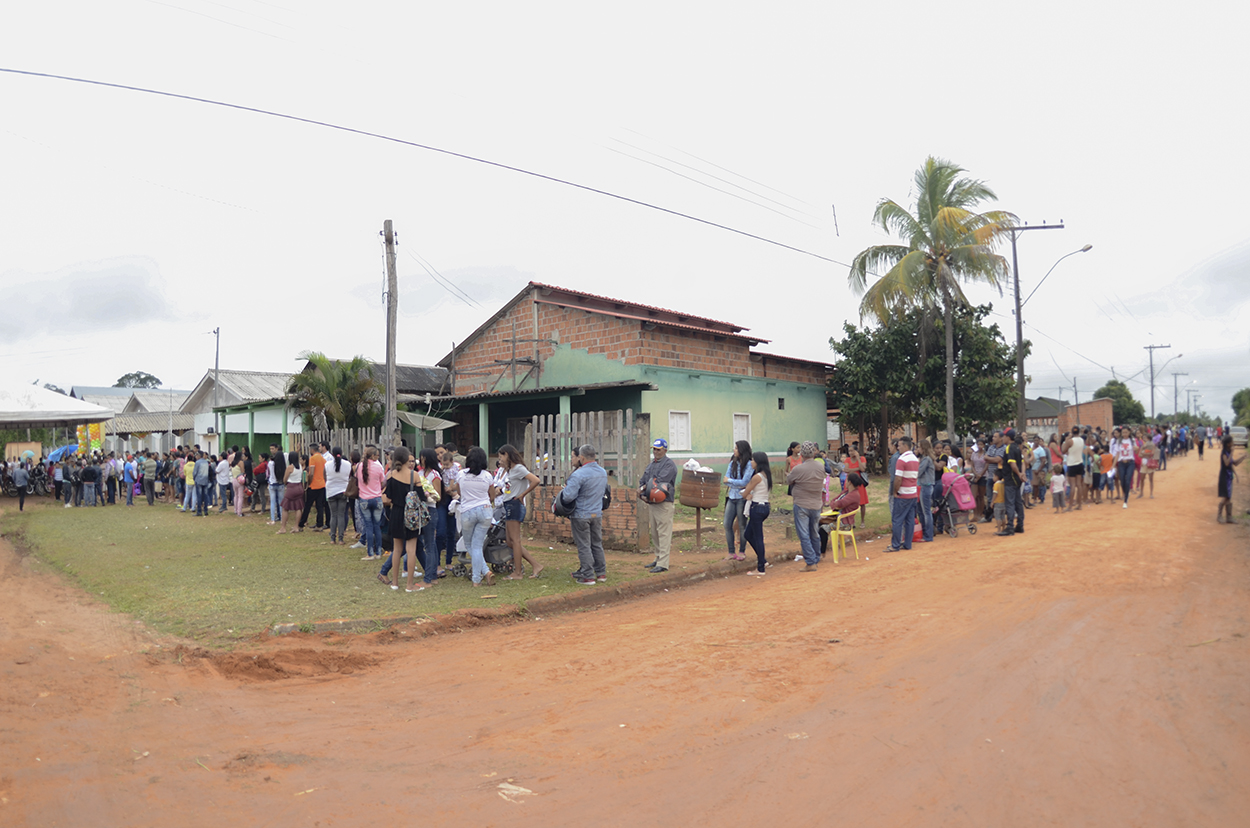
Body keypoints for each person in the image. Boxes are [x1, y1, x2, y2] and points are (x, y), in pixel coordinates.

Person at [380, 447, 430, 592]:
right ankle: (409, 585)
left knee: (396, 549)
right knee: (411, 550)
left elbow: (388, 497)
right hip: (411, 514)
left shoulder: (391, 475)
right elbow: (421, 497)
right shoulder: (414, 475)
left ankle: (395, 583)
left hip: (396, 513)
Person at [562, 444, 609, 585]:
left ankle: (588, 575)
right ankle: (601, 573)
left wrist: (564, 491)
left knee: (584, 545)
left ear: (581, 457)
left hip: (581, 514)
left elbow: (568, 497)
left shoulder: (578, 474)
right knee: (596, 544)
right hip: (597, 513)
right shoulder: (602, 472)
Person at [493, 444, 541, 580]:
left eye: (501, 457)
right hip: (508, 504)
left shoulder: (519, 468)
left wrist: (522, 494)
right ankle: (535, 564)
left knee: (515, 540)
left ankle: (518, 572)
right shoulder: (510, 471)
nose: (500, 460)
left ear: (508, 455)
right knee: (510, 541)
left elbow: (535, 480)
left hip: (514, 505)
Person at [456, 446, 495, 586]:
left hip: (468, 511)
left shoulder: (461, 474)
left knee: (469, 544)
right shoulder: (487, 476)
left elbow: (459, 492)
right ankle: (483, 574)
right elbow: (492, 495)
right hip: (485, 510)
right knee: (477, 545)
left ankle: (479, 577)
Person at [637, 438, 677, 573]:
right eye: (654, 449)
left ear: (665, 450)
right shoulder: (651, 465)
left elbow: (658, 483)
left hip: (664, 503)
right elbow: (643, 479)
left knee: (664, 533)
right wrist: (642, 490)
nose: (655, 452)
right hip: (652, 503)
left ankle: (663, 563)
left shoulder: (669, 465)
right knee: (655, 533)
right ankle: (658, 558)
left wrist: (642, 488)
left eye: (658, 449)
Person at [787, 441, 825, 571]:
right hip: (816, 504)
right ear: (814, 453)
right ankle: (816, 557)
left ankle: (810, 562)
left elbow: (789, 480)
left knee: (804, 535)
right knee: (814, 533)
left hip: (801, 504)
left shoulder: (798, 469)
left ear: (802, 454)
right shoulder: (820, 466)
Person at [741, 451, 772, 576]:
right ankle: (762, 560)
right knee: (748, 534)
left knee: (758, 537)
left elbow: (745, 493)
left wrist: (746, 495)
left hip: (756, 508)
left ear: (758, 462)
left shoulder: (756, 477)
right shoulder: (766, 475)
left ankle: (760, 568)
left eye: (753, 460)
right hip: (765, 507)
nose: (751, 462)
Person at [722, 440, 753, 561]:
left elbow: (744, 482)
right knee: (727, 524)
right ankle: (731, 552)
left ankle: (742, 551)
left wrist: (730, 481)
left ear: (742, 450)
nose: (734, 450)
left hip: (742, 498)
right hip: (731, 497)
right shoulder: (733, 463)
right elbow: (725, 480)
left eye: (736, 448)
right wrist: (735, 483)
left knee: (742, 525)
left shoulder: (749, 464)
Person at [887, 436, 919, 552]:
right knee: (910, 520)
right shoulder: (915, 459)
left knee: (897, 520)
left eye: (899, 445)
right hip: (913, 493)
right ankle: (907, 544)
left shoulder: (902, 459)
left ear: (905, 446)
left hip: (903, 494)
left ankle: (895, 545)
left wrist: (895, 491)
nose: (898, 448)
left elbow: (898, 478)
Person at [355, 446, 386, 560]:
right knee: (377, 526)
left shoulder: (359, 466)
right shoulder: (378, 466)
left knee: (368, 526)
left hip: (364, 499)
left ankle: (370, 553)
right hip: (377, 498)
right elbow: (383, 481)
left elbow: (357, 479)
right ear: (373, 456)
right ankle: (378, 552)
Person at [1000, 430, 1025, 536]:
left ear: (1008, 437)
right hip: (1017, 479)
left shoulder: (1009, 448)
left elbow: (1013, 464)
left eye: (1004, 436)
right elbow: (1023, 462)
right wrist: (1022, 474)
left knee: (1010, 503)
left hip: (1011, 479)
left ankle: (1010, 527)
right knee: (1018, 502)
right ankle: (1020, 525)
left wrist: (1019, 474)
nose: (1002, 438)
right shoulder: (1017, 447)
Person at [325, 446, 352, 544]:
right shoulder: (347, 464)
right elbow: (349, 476)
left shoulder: (327, 464)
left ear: (332, 454)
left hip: (331, 491)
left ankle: (332, 538)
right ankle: (341, 538)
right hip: (343, 490)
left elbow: (325, 477)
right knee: (341, 515)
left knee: (333, 515)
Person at [299, 442, 329, 531]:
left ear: (312, 450)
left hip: (314, 485)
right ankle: (319, 525)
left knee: (308, 505)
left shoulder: (313, 458)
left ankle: (301, 524)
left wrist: (309, 483)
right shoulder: (323, 459)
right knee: (319, 506)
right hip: (322, 484)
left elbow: (311, 473)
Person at [1217, 434, 1243, 524]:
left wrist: (1243, 457)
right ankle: (1219, 515)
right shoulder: (1224, 452)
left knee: (1228, 497)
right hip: (1224, 476)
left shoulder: (1228, 451)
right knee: (1226, 496)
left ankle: (1229, 517)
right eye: (1232, 441)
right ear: (1228, 444)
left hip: (1229, 476)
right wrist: (1232, 452)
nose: (1233, 442)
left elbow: (1234, 463)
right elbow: (1227, 463)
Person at [1061, 426, 1086, 511]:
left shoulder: (1070, 441)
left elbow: (1063, 451)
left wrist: (1066, 440)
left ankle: (1070, 506)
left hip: (1072, 464)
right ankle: (1079, 505)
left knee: (1072, 486)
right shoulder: (1082, 440)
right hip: (1080, 462)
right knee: (1079, 485)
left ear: (1072, 432)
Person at [842, 445, 869, 524]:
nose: (850, 453)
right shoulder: (847, 459)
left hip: (858, 482)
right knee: (848, 502)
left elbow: (863, 469)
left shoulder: (862, 458)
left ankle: (862, 521)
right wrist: (857, 469)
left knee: (862, 502)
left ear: (856, 451)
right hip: (850, 483)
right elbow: (846, 470)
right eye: (849, 451)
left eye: (852, 451)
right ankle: (850, 521)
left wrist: (858, 459)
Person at [277, 452, 304, 533]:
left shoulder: (290, 467)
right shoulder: (300, 466)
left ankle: (283, 528)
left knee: (285, 508)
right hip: (299, 486)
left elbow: (285, 479)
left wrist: (286, 484)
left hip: (292, 487)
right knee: (298, 508)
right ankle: (296, 526)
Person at [916, 438, 936, 542]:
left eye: (919, 447)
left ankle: (928, 535)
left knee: (926, 512)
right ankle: (926, 533)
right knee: (923, 511)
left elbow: (918, 472)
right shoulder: (926, 459)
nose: (917, 449)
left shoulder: (926, 460)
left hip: (925, 486)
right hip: (924, 486)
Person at [1112, 427, 1136, 508]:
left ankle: (1125, 501)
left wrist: (1137, 449)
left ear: (1129, 432)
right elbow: (1117, 454)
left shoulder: (1132, 440)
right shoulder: (1119, 441)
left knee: (1128, 480)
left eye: (1126, 432)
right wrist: (1113, 465)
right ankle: (1126, 492)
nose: (1124, 434)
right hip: (1121, 463)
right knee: (1122, 480)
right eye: (1123, 432)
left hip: (1130, 462)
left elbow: (1136, 451)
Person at [267, 445, 286, 525]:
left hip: (272, 483)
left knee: (273, 502)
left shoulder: (270, 463)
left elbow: (269, 473)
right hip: (280, 483)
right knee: (281, 502)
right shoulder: (282, 463)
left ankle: (273, 519)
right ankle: (281, 518)